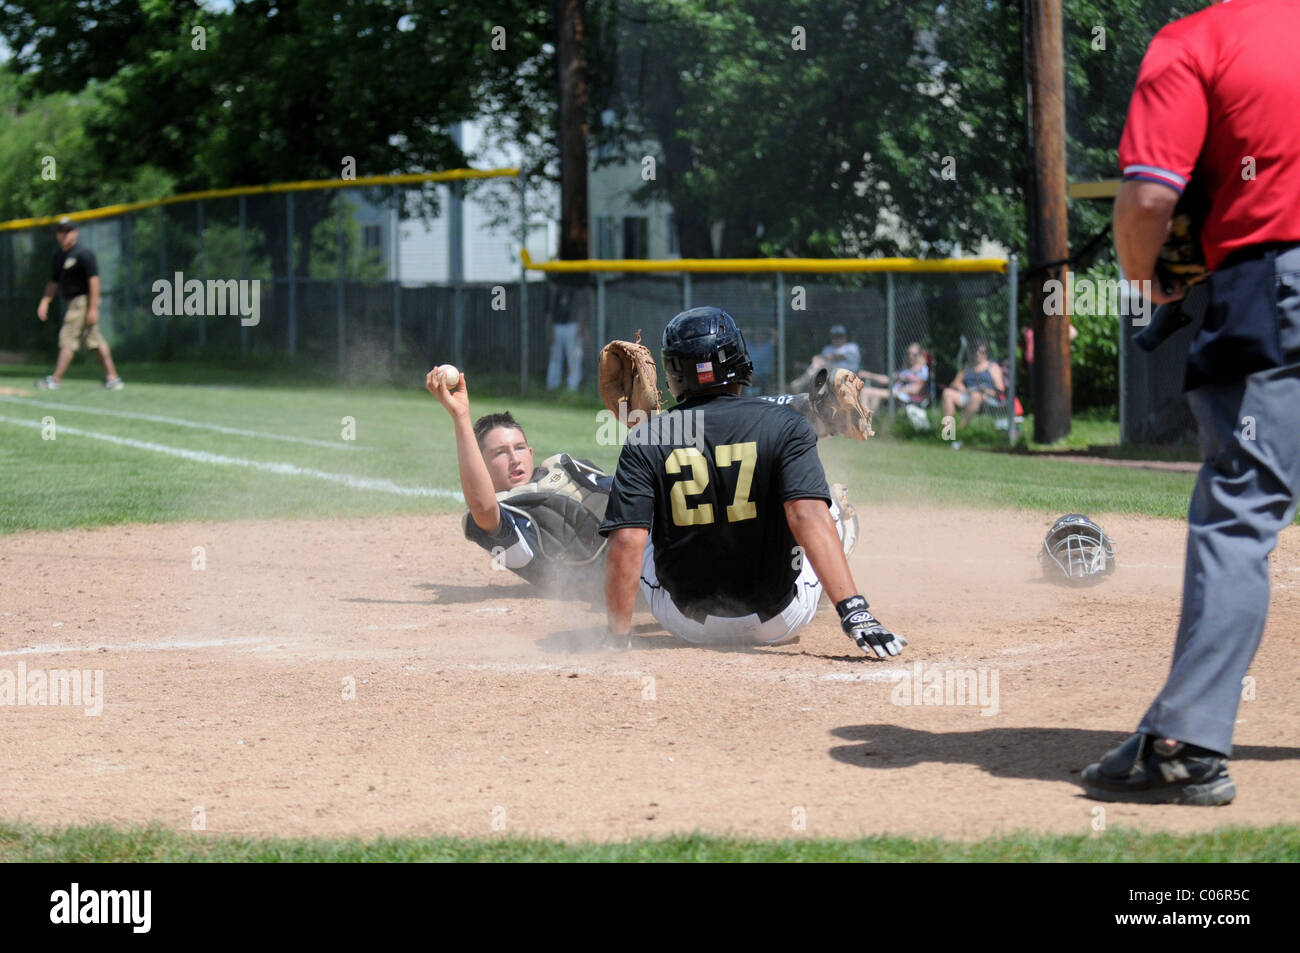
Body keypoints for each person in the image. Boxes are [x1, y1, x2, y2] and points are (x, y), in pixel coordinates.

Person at [1081, 0, 1300, 806]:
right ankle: (1180, 715)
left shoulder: (1197, 42)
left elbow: (1146, 203)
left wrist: (1152, 283)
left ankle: (1188, 741)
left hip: (1272, 283)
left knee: (1240, 509)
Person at [599, 306, 905, 657]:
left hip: (685, 622)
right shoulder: (787, 425)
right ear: (740, 360)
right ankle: (837, 588)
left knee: (644, 511)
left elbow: (626, 543)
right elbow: (806, 517)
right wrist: (855, 611)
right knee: (826, 505)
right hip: (781, 620)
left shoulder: (645, 439)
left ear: (672, 372)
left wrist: (617, 639)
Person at [426, 366, 612, 591]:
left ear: (531, 453)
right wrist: (461, 416)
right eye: (500, 453)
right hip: (631, 568)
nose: (514, 458)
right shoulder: (506, 515)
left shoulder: (565, 468)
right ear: (481, 465)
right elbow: (483, 506)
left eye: (520, 448)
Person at [36, 217, 123, 391]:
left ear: (75, 233)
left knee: (67, 338)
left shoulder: (83, 253)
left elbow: (94, 282)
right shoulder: (59, 256)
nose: (63, 235)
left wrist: (92, 309)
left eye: (67, 231)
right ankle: (113, 378)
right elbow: (53, 282)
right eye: (60, 231)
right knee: (95, 341)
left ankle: (55, 379)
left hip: (82, 302)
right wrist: (45, 301)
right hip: (72, 303)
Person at [939, 341, 1004, 430]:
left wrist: (985, 391)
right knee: (947, 393)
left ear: (986, 354)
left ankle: (960, 428)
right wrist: (959, 386)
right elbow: (954, 383)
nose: (977, 354)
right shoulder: (968, 368)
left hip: (986, 398)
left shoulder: (993, 367)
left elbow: (1000, 388)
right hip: (967, 395)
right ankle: (948, 431)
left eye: (981, 352)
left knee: (976, 396)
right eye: (975, 351)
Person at [859, 341, 930, 414]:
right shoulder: (905, 369)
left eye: (914, 355)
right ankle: (868, 421)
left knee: (866, 392)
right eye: (908, 354)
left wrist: (899, 390)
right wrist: (868, 375)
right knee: (874, 396)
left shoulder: (923, 370)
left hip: (904, 395)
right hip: (895, 392)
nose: (910, 357)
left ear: (920, 355)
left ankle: (864, 421)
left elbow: (916, 389)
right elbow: (887, 379)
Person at [788, 324, 860, 393]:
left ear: (845, 337)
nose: (837, 339)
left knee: (823, 366)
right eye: (835, 337)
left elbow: (840, 357)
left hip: (846, 376)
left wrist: (822, 357)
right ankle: (816, 398)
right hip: (828, 375)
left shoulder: (851, 347)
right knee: (820, 372)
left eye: (840, 336)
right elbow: (817, 362)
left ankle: (799, 383)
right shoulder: (827, 348)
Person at [545, 283, 587, 392]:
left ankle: (573, 387)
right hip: (557, 325)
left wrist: (580, 328)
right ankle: (552, 386)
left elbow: (582, 309)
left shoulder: (576, 290)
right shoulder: (553, 294)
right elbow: (549, 313)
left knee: (574, 358)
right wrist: (550, 329)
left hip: (572, 325)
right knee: (555, 356)